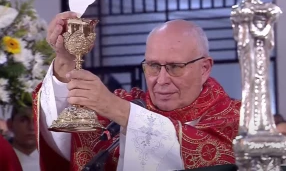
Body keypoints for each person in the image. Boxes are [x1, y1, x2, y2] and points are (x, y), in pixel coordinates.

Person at [32, 12, 241, 171]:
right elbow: (64, 139)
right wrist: (66, 60)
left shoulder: (234, 117)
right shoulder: (129, 104)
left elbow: (214, 154)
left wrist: (121, 111)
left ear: (204, 68)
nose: (161, 80)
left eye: (175, 67)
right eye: (152, 66)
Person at [7, 106, 40, 171]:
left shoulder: (54, 160)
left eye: (36, 120)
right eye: (23, 120)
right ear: (10, 124)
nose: (31, 127)